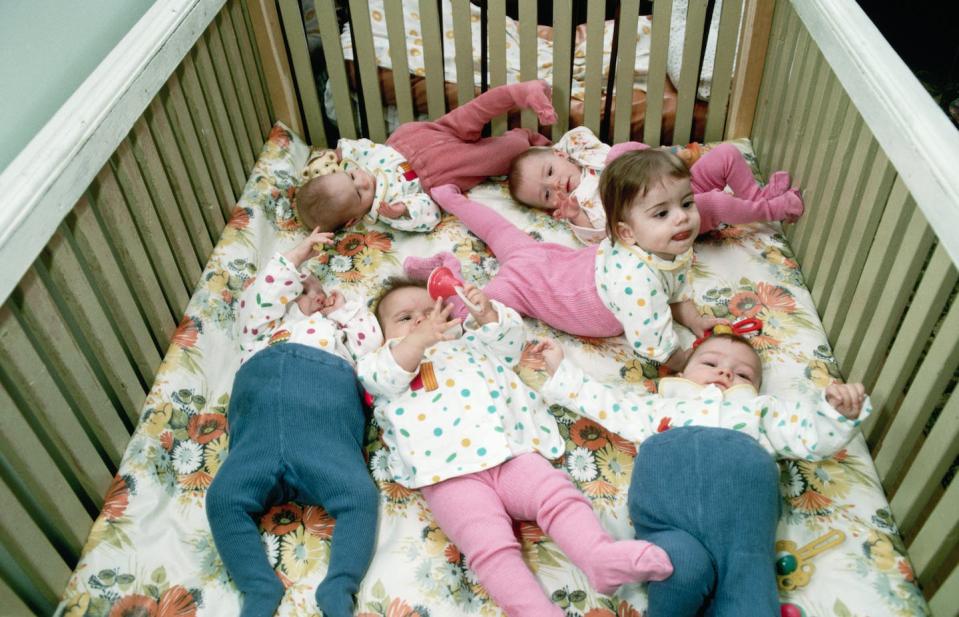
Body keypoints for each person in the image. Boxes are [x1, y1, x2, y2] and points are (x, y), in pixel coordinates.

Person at [356, 278, 673, 617]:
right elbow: (383, 377)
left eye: (428, 310)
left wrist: (488, 315)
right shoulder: (381, 363)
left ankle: (600, 558)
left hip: (511, 451)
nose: (420, 321)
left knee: (558, 496)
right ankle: (535, 610)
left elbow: (509, 346)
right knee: (489, 548)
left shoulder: (469, 344)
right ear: (382, 333)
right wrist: (417, 341)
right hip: (448, 475)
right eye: (405, 318)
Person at [532, 332, 871, 617]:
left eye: (742, 374)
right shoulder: (659, 406)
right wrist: (563, 370)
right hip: (669, 521)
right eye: (710, 363)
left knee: (750, 589)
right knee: (680, 567)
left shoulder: (760, 411)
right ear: (682, 373)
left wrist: (836, 414)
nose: (725, 374)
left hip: (743, 532)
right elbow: (608, 403)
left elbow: (807, 436)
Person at [405, 148, 725, 370]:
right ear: (626, 233)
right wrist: (683, 361)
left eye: (686, 203)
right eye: (662, 213)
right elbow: (655, 344)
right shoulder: (637, 282)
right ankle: (445, 275)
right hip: (538, 286)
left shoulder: (669, 244)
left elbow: (675, 288)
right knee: (474, 312)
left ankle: (450, 198)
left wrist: (694, 320)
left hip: (551, 261)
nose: (682, 219)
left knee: (498, 229)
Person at [206, 228, 384, 617]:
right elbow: (259, 300)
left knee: (360, 497)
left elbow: (373, 349)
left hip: (325, 435)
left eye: (320, 292)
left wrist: (345, 311)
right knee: (222, 498)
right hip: (259, 436)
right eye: (302, 291)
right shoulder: (262, 333)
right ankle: (257, 586)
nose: (315, 296)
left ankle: (339, 586)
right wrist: (294, 259)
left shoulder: (336, 334)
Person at [294, 80, 556, 233]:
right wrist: (401, 211)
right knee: (497, 155)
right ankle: (529, 139)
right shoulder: (384, 208)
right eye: (359, 193)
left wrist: (337, 152)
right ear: (353, 219)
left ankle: (516, 93)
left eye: (351, 176)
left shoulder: (360, 164)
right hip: (438, 170)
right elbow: (428, 213)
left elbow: (357, 147)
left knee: (473, 112)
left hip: (415, 137)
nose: (362, 181)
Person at [507, 125, 803, 244]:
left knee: (725, 154)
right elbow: (599, 237)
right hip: (668, 214)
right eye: (547, 194)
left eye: (550, 171)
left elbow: (578, 135)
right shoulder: (580, 205)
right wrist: (574, 214)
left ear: (561, 154)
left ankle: (756, 195)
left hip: (674, 181)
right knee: (714, 203)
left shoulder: (588, 156)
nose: (556, 184)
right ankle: (772, 210)